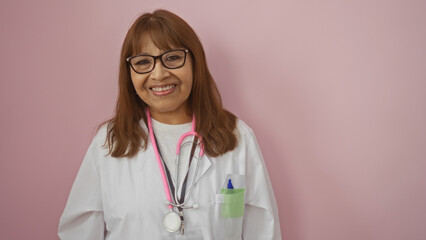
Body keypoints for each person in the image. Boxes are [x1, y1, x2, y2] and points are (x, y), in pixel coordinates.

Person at [58, 9, 282, 240]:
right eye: (143, 62)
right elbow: (78, 233)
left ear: (195, 62)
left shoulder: (238, 138)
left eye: (173, 57)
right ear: (129, 73)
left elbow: (263, 230)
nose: (159, 74)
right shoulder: (109, 143)